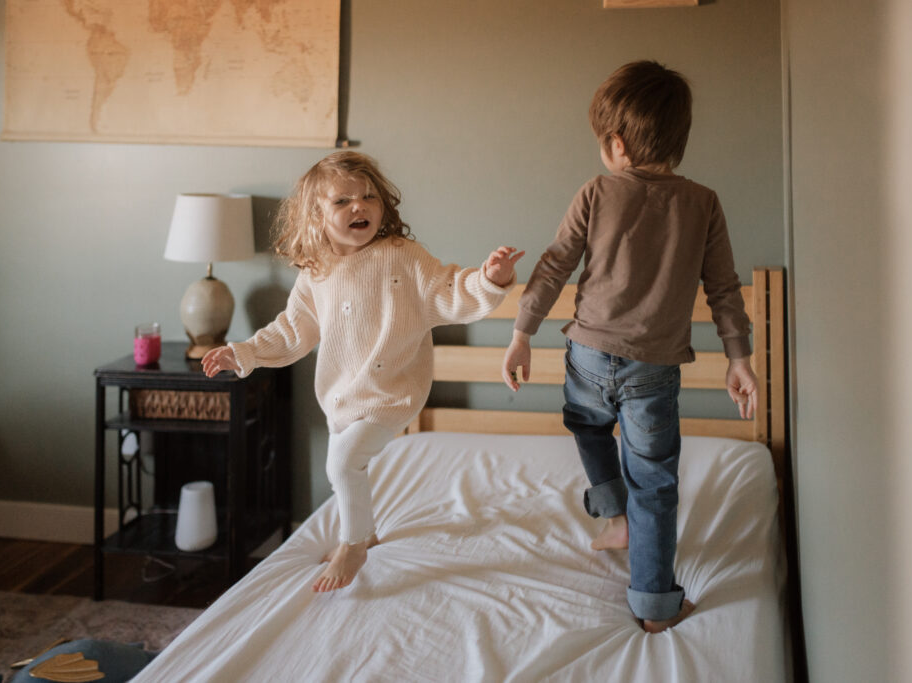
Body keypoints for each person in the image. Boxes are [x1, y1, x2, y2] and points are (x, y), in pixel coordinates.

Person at [500, 61, 757, 633]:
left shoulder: (596, 191)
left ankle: (612, 513)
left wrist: (521, 334)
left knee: (586, 424)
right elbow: (723, 289)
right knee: (655, 482)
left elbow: (553, 266)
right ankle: (656, 605)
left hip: (587, 354)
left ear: (615, 145)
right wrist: (740, 359)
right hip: (654, 369)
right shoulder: (704, 203)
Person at [203, 151, 523, 593]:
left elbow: (449, 291)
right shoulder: (316, 272)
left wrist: (489, 278)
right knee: (347, 465)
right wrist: (244, 352)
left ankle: (353, 544)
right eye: (343, 201)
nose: (360, 206)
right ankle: (368, 530)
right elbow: (292, 329)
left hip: (392, 391)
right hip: (341, 396)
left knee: (342, 465)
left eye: (369, 196)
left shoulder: (402, 256)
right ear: (316, 216)